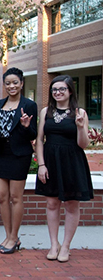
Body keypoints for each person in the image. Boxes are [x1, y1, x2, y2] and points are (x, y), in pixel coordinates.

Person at [35, 75, 93, 263]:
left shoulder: (79, 112)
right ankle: (54, 244)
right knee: (52, 204)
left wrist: (81, 127)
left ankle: (66, 246)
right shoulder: (46, 112)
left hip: (72, 161)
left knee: (71, 204)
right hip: (51, 161)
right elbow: (40, 140)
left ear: (70, 91)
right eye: (54, 89)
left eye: (62, 89)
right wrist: (41, 165)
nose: (58, 92)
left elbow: (83, 144)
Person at [0, 68, 37, 254]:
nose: (11, 86)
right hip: (1, 154)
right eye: (8, 83)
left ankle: (14, 237)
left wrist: (25, 126)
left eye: (15, 82)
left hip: (19, 155)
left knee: (16, 197)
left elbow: (33, 133)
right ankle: (8, 236)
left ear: (22, 83)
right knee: (1, 196)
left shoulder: (29, 105)